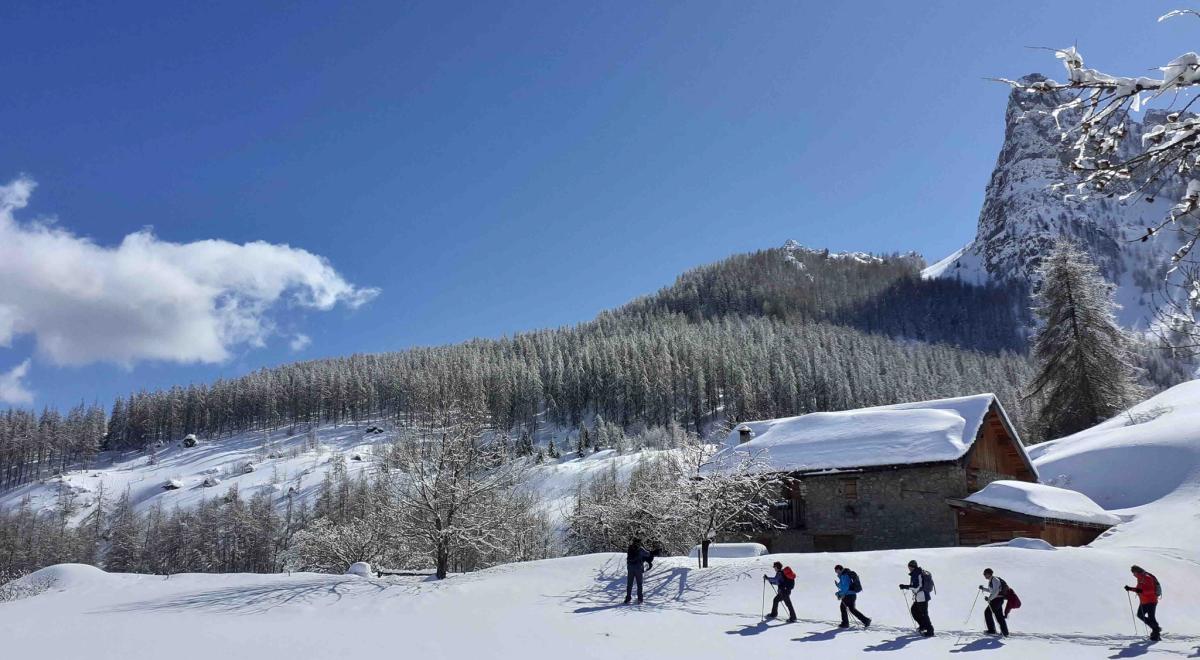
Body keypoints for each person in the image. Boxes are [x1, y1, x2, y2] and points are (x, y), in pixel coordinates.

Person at [1125, 565, 1162, 641]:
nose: (1133, 575)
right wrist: (1130, 588)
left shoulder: (1147, 577)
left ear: (1136, 571)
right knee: (1140, 615)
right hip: (1144, 601)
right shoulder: (1140, 578)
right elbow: (1139, 589)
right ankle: (1156, 629)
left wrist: (1141, 591)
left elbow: (1151, 590)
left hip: (1151, 601)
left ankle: (1156, 633)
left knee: (1151, 617)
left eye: (1133, 573)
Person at [898, 559, 934, 637]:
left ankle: (930, 631)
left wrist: (905, 586)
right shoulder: (915, 573)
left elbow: (917, 587)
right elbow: (915, 586)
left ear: (912, 567)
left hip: (922, 597)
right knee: (914, 611)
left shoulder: (918, 574)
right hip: (919, 597)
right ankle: (923, 626)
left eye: (909, 567)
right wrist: (907, 586)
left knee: (924, 614)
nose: (909, 568)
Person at [978, 568, 1009, 637]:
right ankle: (1005, 632)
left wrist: (989, 599)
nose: (984, 575)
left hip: (997, 600)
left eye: (985, 574)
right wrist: (983, 589)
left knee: (987, 612)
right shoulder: (991, 580)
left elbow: (995, 591)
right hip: (998, 599)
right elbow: (991, 591)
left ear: (989, 574)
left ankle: (992, 630)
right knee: (999, 616)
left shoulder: (995, 580)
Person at [624, 537, 653, 604]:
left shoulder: (630, 548)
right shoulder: (640, 549)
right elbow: (648, 554)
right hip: (638, 568)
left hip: (630, 568)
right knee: (639, 584)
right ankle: (640, 598)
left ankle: (628, 598)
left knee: (629, 584)